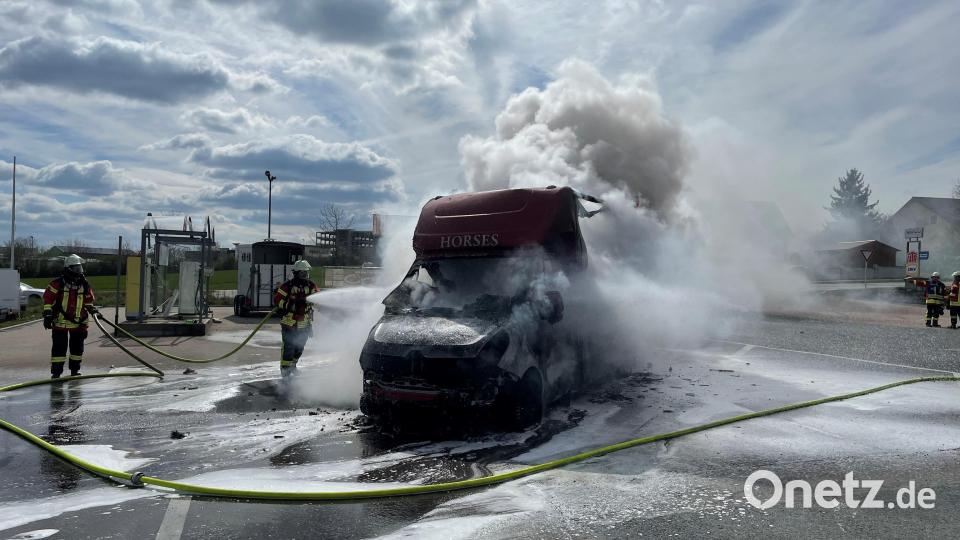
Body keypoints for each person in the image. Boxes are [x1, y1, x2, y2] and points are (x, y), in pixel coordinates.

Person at [42, 254, 97, 378]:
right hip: (60, 323)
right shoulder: (57, 283)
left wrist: (93, 310)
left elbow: (88, 301)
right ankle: (56, 373)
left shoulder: (84, 284)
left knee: (77, 350)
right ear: (68, 268)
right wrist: (47, 315)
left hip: (79, 324)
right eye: (76, 268)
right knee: (58, 350)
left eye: (80, 268)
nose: (79, 271)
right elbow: (48, 299)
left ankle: (74, 371)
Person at [273, 260, 320, 377]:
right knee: (288, 348)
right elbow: (277, 300)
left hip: (305, 323)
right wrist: (290, 304)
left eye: (307, 273)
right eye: (303, 273)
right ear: (297, 273)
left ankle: (293, 366)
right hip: (290, 323)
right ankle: (285, 372)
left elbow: (318, 297)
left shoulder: (311, 285)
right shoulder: (287, 286)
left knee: (299, 348)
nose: (306, 276)